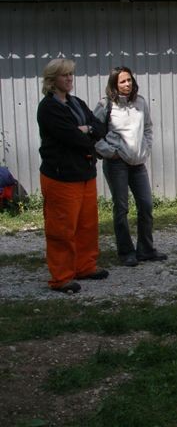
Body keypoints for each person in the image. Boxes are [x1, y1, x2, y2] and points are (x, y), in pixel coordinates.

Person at [37, 59, 108, 294]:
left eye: (71, 74)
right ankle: (61, 276)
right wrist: (86, 132)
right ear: (52, 80)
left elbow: (100, 127)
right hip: (61, 177)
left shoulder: (76, 102)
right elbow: (71, 138)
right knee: (61, 229)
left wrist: (86, 129)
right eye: (64, 75)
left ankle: (85, 265)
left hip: (85, 173)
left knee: (87, 225)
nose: (69, 78)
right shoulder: (48, 108)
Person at [94, 66, 167, 267]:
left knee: (146, 205)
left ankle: (146, 249)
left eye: (129, 80)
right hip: (117, 164)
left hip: (138, 163)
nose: (127, 84)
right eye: (122, 81)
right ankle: (126, 251)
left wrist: (146, 148)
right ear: (114, 85)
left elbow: (148, 128)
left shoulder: (140, 102)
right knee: (122, 208)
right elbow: (94, 133)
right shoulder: (105, 105)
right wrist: (111, 152)